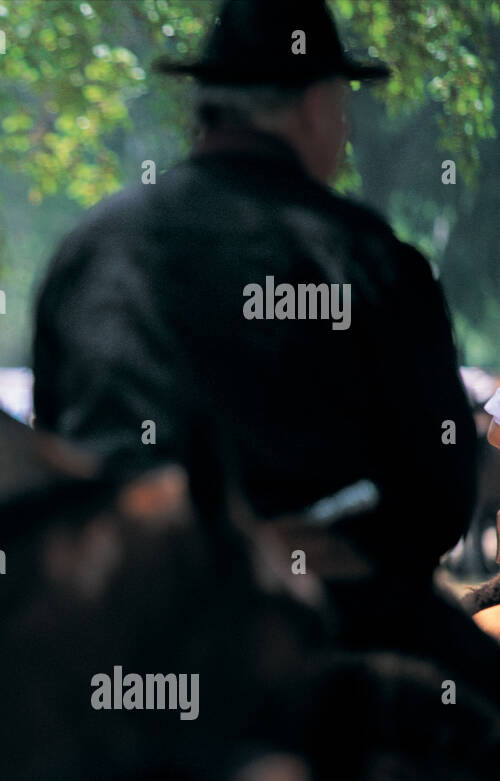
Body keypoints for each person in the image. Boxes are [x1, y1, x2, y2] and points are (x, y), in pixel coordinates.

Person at [32, 0, 499, 698]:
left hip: (113, 627)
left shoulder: (89, 249)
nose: (343, 131)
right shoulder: (371, 259)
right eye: (341, 108)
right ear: (312, 108)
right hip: (326, 627)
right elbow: (435, 498)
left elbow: (53, 457)